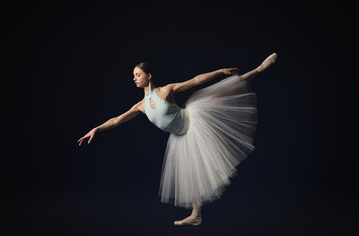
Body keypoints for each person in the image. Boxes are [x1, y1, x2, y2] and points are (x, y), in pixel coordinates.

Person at [78, 53, 278, 226]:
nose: (134, 79)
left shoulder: (165, 91)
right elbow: (116, 120)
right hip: (181, 136)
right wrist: (96, 128)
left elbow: (196, 80)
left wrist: (220, 71)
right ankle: (196, 215)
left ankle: (259, 69)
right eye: (133, 76)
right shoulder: (140, 105)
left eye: (137, 75)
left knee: (226, 90)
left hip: (194, 121)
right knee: (191, 174)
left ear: (149, 76)